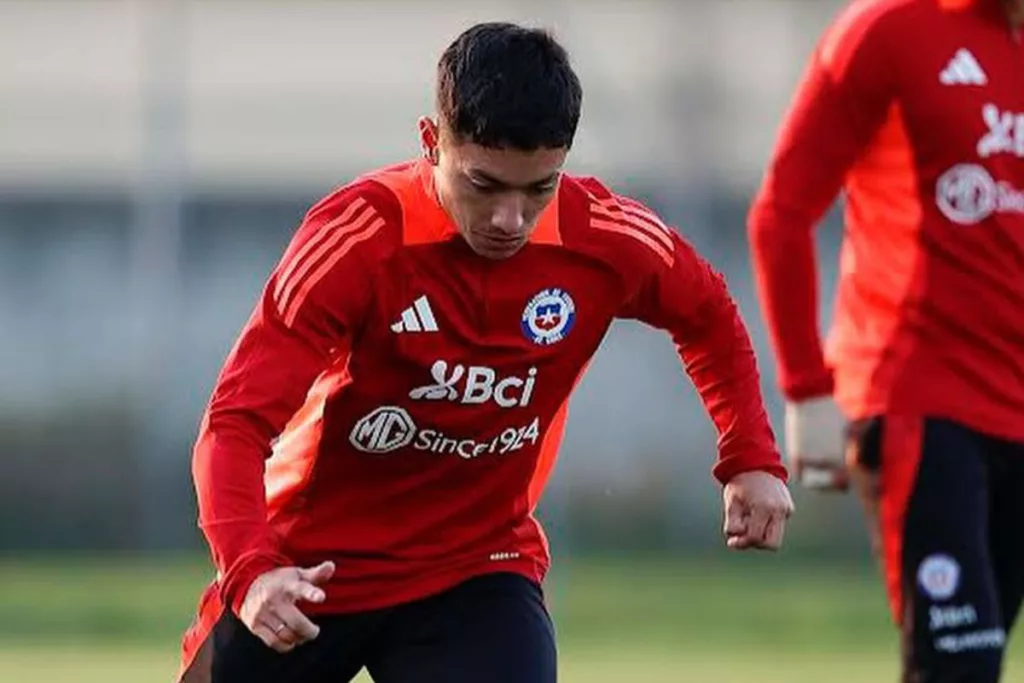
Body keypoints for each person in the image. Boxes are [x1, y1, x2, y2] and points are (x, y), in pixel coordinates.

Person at [179, 21, 794, 683]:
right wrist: (252, 570)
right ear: (430, 142)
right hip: (307, 568)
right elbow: (234, 423)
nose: (510, 219)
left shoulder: (602, 239)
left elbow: (707, 311)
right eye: (483, 184)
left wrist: (751, 455)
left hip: (475, 568)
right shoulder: (359, 238)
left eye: (539, 190)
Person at [748, 0, 1024, 680]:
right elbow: (781, 211)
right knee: (958, 664)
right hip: (922, 404)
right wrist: (808, 388)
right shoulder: (888, 32)